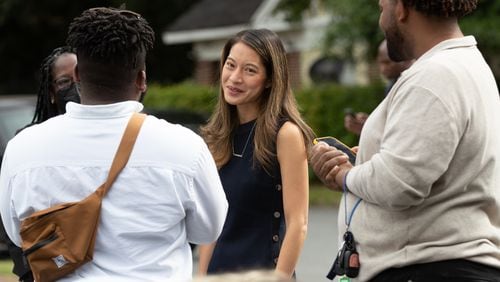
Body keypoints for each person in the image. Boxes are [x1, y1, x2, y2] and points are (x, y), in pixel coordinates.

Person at [0, 7, 228, 281]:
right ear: (142, 79)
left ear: (79, 76)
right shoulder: (185, 148)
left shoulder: (23, 148)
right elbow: (208, 231)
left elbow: (17, 233)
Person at [311, 0, 500, 281]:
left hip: (427, 269)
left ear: (401, 8)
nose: (381, 20)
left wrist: (344, 175)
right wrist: (371, 158)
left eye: (381, 7)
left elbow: (399, 183)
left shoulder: (434, 76)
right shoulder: (466, 65)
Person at [198, 29, 315, 279]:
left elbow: (298, 224)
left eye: (249, 70)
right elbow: (213, 226)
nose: (234, 78)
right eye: (230, 65)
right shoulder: (217, 136)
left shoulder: (286, 134)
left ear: (271, 79)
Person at [0, 45, 80, 282]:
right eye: (64, 81)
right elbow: (9, 214)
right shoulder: (26, 141)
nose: (74, 87)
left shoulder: (105, 136)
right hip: (40, 265)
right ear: (51, 92)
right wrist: (27, 270)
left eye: (79, 78)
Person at [344, 39, 413, 135]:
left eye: (387, 62)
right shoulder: (391, 85)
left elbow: (405, 130)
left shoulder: (412, 86)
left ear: (407, 60)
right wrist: (369, 124)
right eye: (380, 63)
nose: (382, 69)